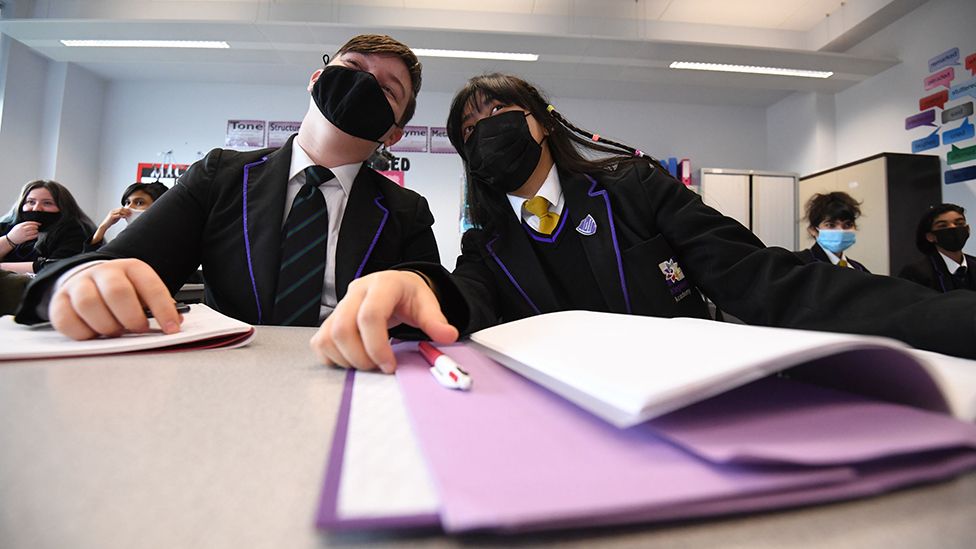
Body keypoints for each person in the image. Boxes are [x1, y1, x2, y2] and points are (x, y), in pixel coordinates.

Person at [310, 73, 976, 371]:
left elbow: (764, 280)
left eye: (497, 112)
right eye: (469, 129)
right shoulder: (488, 244)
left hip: (693, 402)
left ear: (540, 122)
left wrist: (949, 321)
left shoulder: (635, 189)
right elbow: (469, 296)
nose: (485, 131)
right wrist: (420, 284)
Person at [16, 34, 439, 340]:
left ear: (394, 134)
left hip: (356, 375)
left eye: (387, 89)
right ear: (316, 79)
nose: (363, 83)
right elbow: (113, 263)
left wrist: (422, 295)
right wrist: (82, 282)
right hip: (226, 368)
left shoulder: (406, 210)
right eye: (352, 67)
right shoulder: (220, 174)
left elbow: (432, 305)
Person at [1, 180, 97, 275]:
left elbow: (57, 266)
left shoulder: (76, 230)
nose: (36, 208)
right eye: (31, 202)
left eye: (47, 203)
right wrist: (9, 240)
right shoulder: (7, 225)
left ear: (63, 207)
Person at [897, 204, 975, 292]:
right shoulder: (915, 273)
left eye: (959, 223)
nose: (953, 227)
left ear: (967, 229)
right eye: (943, 226)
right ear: (930, 236)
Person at [795, 192, 869, 272]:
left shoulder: (859, 269)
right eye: (831, 225)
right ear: (813, 230)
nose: (841, 231)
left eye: (847, 224)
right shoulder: (798, 264)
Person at [89, 181, 170, 248]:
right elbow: (91, 262)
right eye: (127, 202)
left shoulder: (167, 242)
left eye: (139, 202)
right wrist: (102, 228)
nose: (128, 207)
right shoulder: (125, 238)